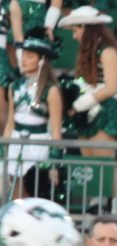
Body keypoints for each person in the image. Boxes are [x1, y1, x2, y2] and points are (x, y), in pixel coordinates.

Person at [59, 5, 117, 157]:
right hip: (85, 112)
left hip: (103, 112)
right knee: (90, 169)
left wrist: (80, 104)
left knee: (104, 170)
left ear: (85, 28)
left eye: (76, 31)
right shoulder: (87, 52)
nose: (74, 36)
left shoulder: (108, 51)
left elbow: (111, 88)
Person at [3, 30, 61, 199]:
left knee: (32, 193)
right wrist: (4, 152)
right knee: (13, 195)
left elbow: (56, 130)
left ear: (41, 60)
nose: (23, 59)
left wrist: (54, 165)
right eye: (23, 55)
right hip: (15, 141)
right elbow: (10, 123)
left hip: (39, 144)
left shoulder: (51, 90)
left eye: (29, 56)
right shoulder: (14, 86)